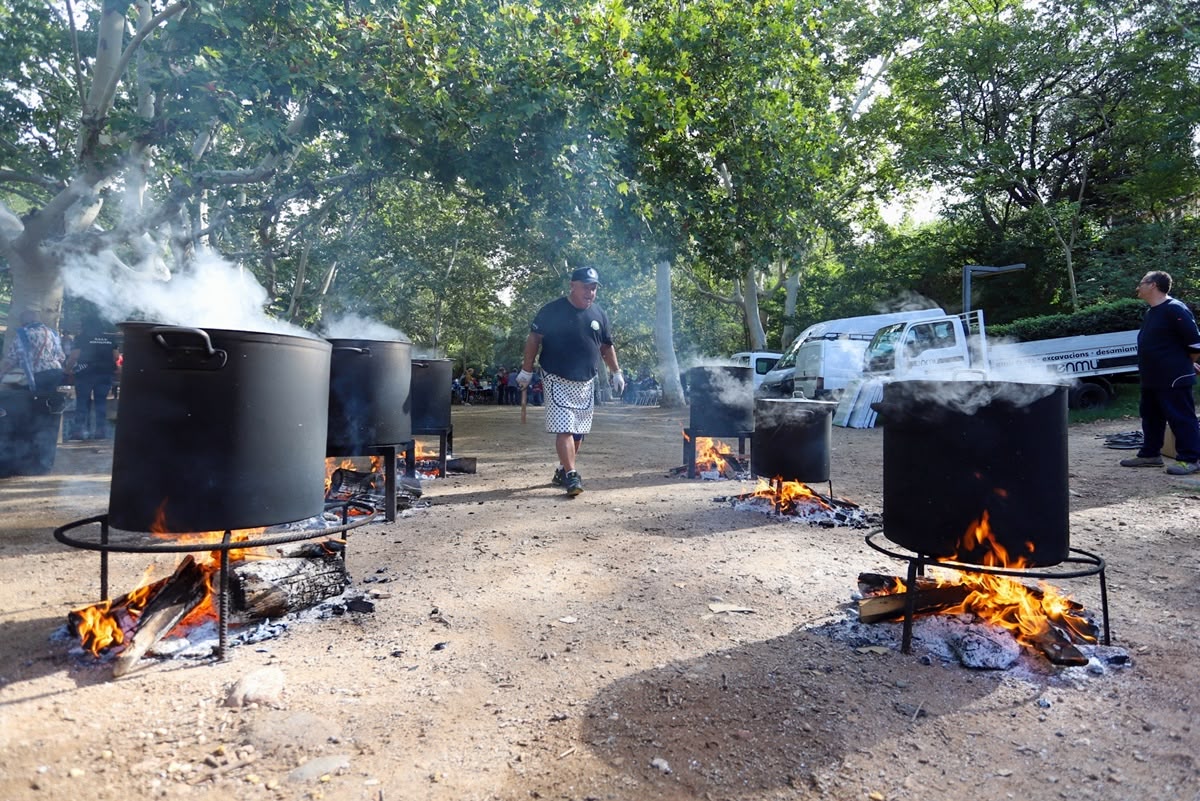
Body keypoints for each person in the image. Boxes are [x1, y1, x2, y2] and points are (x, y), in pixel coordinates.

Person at [517, 266, 624, 497]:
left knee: (578, 432)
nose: (590, 292)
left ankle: (562, 470)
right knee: (565, 427)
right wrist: (526, 370)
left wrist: (616, 372)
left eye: (594, 288)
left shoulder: (599, 314)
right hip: (556, 376)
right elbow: (534, 338)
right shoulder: (551, 310)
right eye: (586, 287)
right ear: (572, 285)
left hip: (586, 380)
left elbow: (606, 346)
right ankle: (572, 475)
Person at [1119, 270, 1200, 475]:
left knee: (1181, 418)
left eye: (1141, 283)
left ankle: (1190, 459)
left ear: (1153, 285)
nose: (1138, 287)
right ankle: (1150, 455)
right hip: (1152, 377)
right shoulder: (1152, 312)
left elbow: (1195, 344)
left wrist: (1185, 364)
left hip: (1173, 377)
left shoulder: (1174, 309)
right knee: (1151, 416)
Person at [65, 316, 119, 440]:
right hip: (105, 373)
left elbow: (74, 356)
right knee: (101, 402)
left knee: (82, 402)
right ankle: (100, 432)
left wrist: (67, 370)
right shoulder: (110, 338)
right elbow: (116, 357)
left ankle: (79, 431)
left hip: (85, 374)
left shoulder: (81, 338)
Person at [0, 309, 65, 392]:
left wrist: (2, 373)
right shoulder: (53, 333)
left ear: (23, 322)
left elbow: (12, 358)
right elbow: (61, 357)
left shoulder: (24, 334)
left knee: (27, 400)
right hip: (56, 372)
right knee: (47, 401)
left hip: (36, 375)